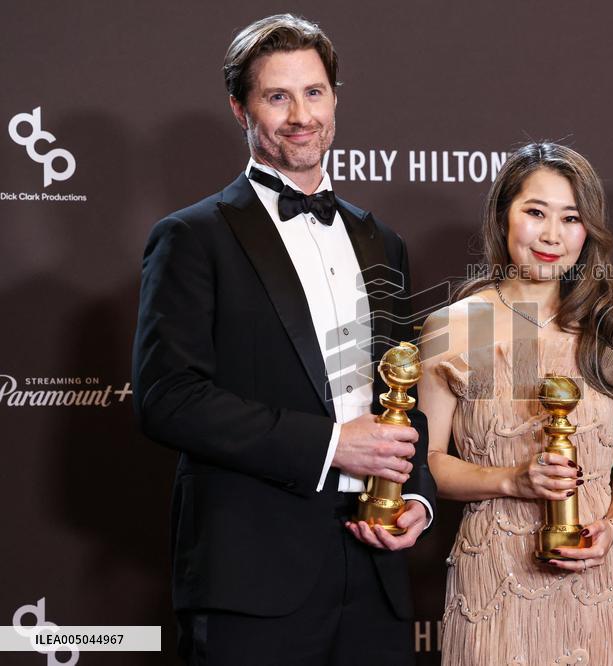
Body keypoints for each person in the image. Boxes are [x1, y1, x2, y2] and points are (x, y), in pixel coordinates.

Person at [131, 14, 435, 665]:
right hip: (253, 579)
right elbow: (167, 398)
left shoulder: (381, 241)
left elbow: (400, 392)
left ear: (335, 98)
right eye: (277, 96)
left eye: (315, 92)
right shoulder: (193, 238)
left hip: (375, 576)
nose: (301, 115)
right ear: (240, 108)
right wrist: (331, 445)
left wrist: (416, 497)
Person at [418, 142, 613, 664]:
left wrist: (609, 529)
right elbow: (427, 466)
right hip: (495, 584)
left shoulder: (611, 330)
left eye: (570, 218)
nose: (551, 235)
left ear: (587, 231)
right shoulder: (453, 328)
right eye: (535, 213)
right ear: (503, 218)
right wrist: (510, 480)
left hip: (600, 585)